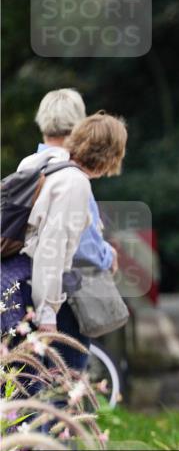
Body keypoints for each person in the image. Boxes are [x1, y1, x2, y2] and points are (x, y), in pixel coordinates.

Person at [19, 111, 129, 369]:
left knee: (31, 381)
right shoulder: (74, 183)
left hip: (21, 283)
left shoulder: (41, 164)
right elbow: (52, 248)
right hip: (53, 297)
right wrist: (47, 313)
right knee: (63, 386)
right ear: (111, 157)